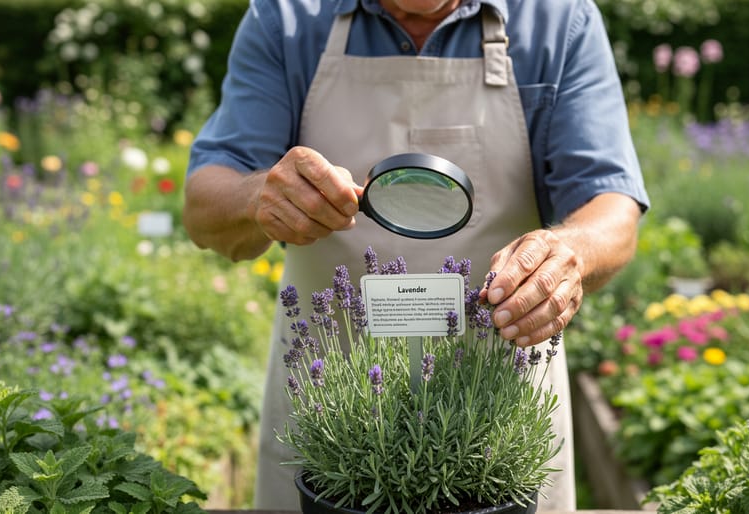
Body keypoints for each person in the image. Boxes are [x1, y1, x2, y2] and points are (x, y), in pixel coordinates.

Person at [183, 0, 650, 510]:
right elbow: (204, 205)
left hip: (497, 426)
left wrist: (569, 253)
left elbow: (612, 210)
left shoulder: (559, 20)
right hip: (329, 420)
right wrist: (259, 198)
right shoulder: (288, 18)